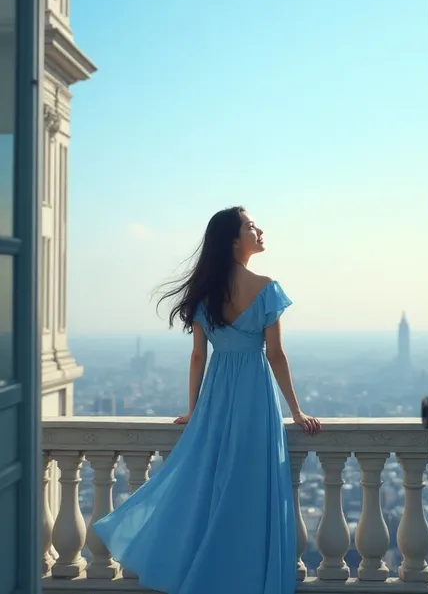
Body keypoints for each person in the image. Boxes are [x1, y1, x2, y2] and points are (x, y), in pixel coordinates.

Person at [93, 206, 321, 594]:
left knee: (209, 485)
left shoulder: (206, 293)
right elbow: (276, 355)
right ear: (234, 240)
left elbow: (198, 356)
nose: (259, 230)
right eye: (251, 226)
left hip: (217, 394)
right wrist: (296, 410)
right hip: (254, 396)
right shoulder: (267, 288)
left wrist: (194, 409)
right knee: (251, 487)